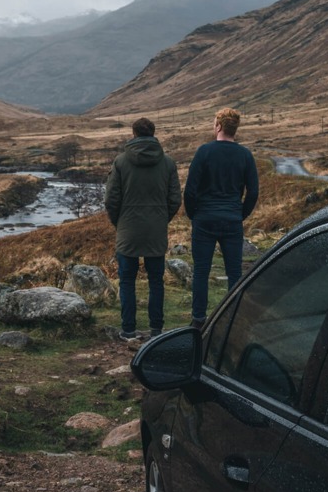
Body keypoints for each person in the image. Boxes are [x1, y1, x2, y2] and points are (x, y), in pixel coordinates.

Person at [104, 117, 181, 341]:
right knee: (156, 280)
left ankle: (128, 330)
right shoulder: (167, 162)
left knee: (127, 280)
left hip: (127, 229)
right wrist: (161, 219)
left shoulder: (120, 162)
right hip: (156, 229)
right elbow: (175, 198)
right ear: (154, 133)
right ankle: (156, 330)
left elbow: (111, 199)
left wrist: (119, 223)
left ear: (134, 134)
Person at [184, 107, 259, 329]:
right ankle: (232, 319)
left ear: (218, 126)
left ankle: (198, 319)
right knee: (234, 271)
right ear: (235, 128)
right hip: (232, 219)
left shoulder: (204, 152)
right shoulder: (245, 155)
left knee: (201, 270)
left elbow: (190, 190)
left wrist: (193, 215)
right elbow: (253, 192)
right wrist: (240, 214)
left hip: (204, 218)